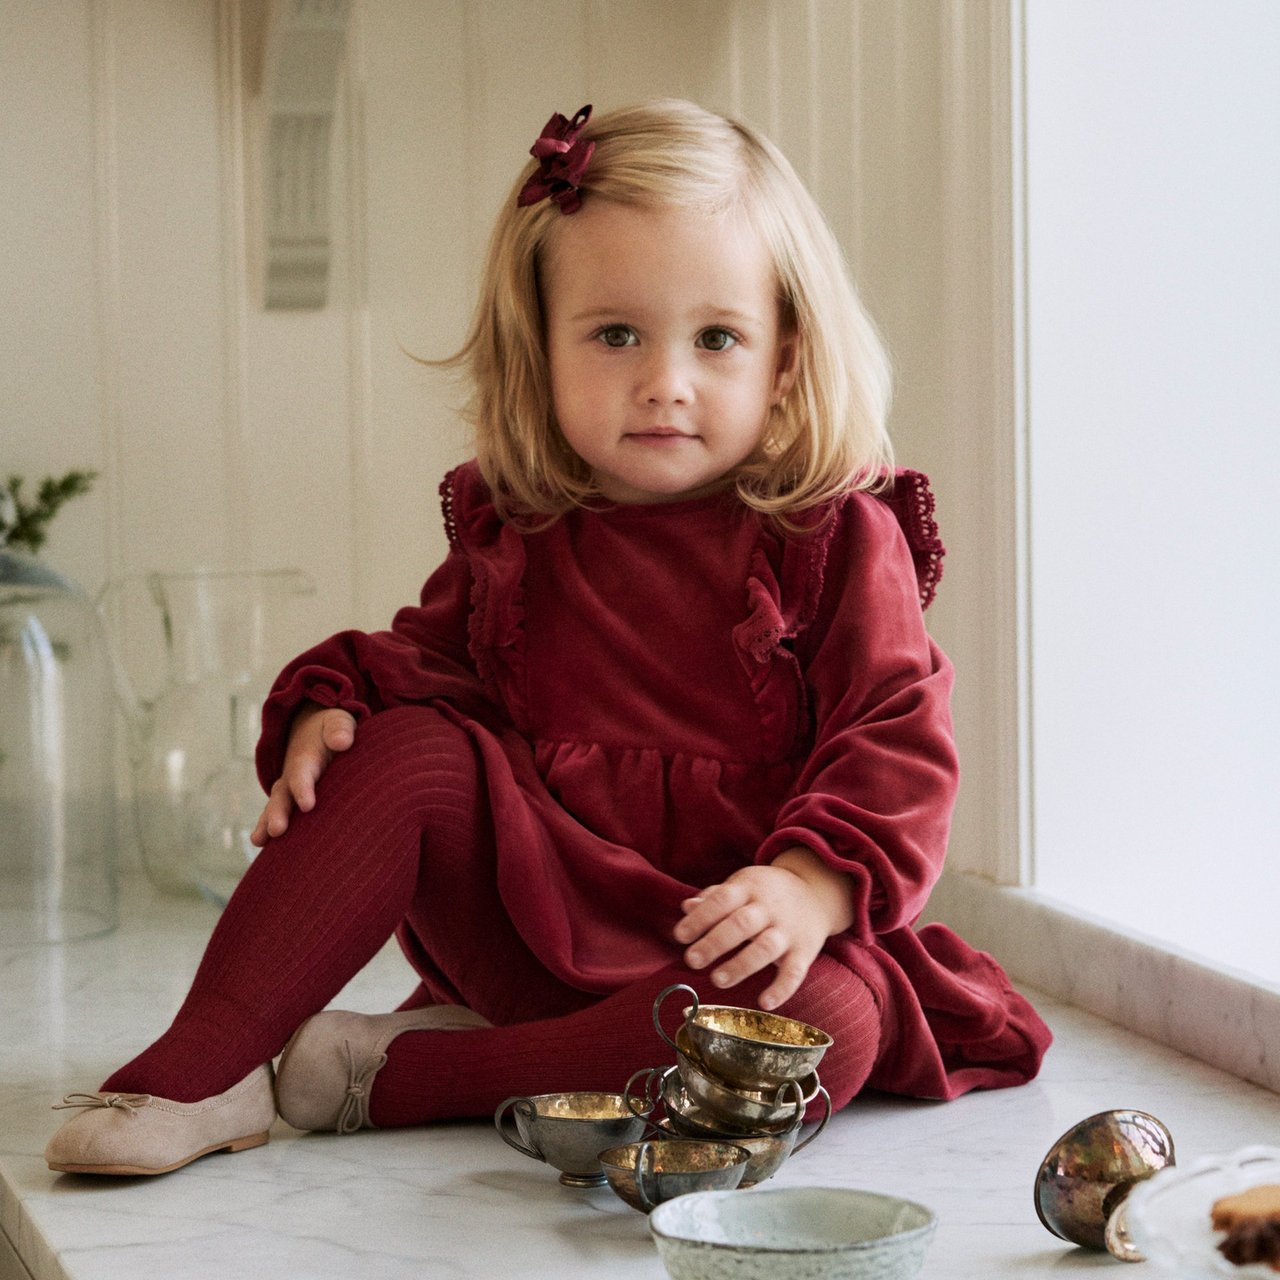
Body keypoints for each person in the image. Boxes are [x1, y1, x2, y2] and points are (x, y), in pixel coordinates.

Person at [46, 99, 1050, 1177]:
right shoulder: (523, 527)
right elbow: (422, 669)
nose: (665, 380)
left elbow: (896, 734)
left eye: (716, 338)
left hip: (721, 950)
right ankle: (204, 1065)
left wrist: (809, 885)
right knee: (405, 746)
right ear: (542, 345)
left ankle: (410, 1076)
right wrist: (333, 709)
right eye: (616, 334)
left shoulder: (829, 538)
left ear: (785, 358)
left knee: (826, 1025)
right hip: (533, 924)